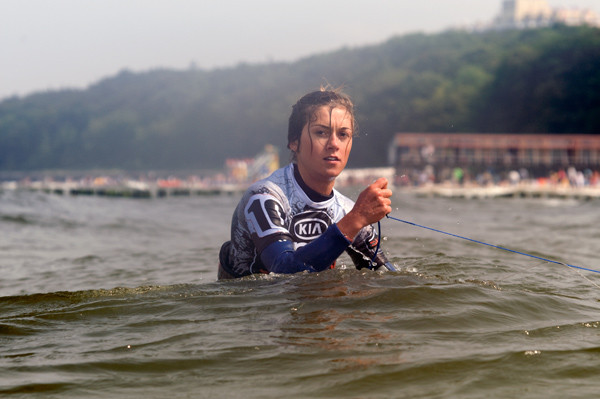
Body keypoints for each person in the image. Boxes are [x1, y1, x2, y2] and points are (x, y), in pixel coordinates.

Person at [218, 88, 397, 279]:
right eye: (321, 132)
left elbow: (386, 277)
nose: (334, 144)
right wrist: (355, 219)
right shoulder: (264, 197)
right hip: (254, 304)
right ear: (294, 142)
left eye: (343, 135)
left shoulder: (345, 210)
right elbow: (283, 270)